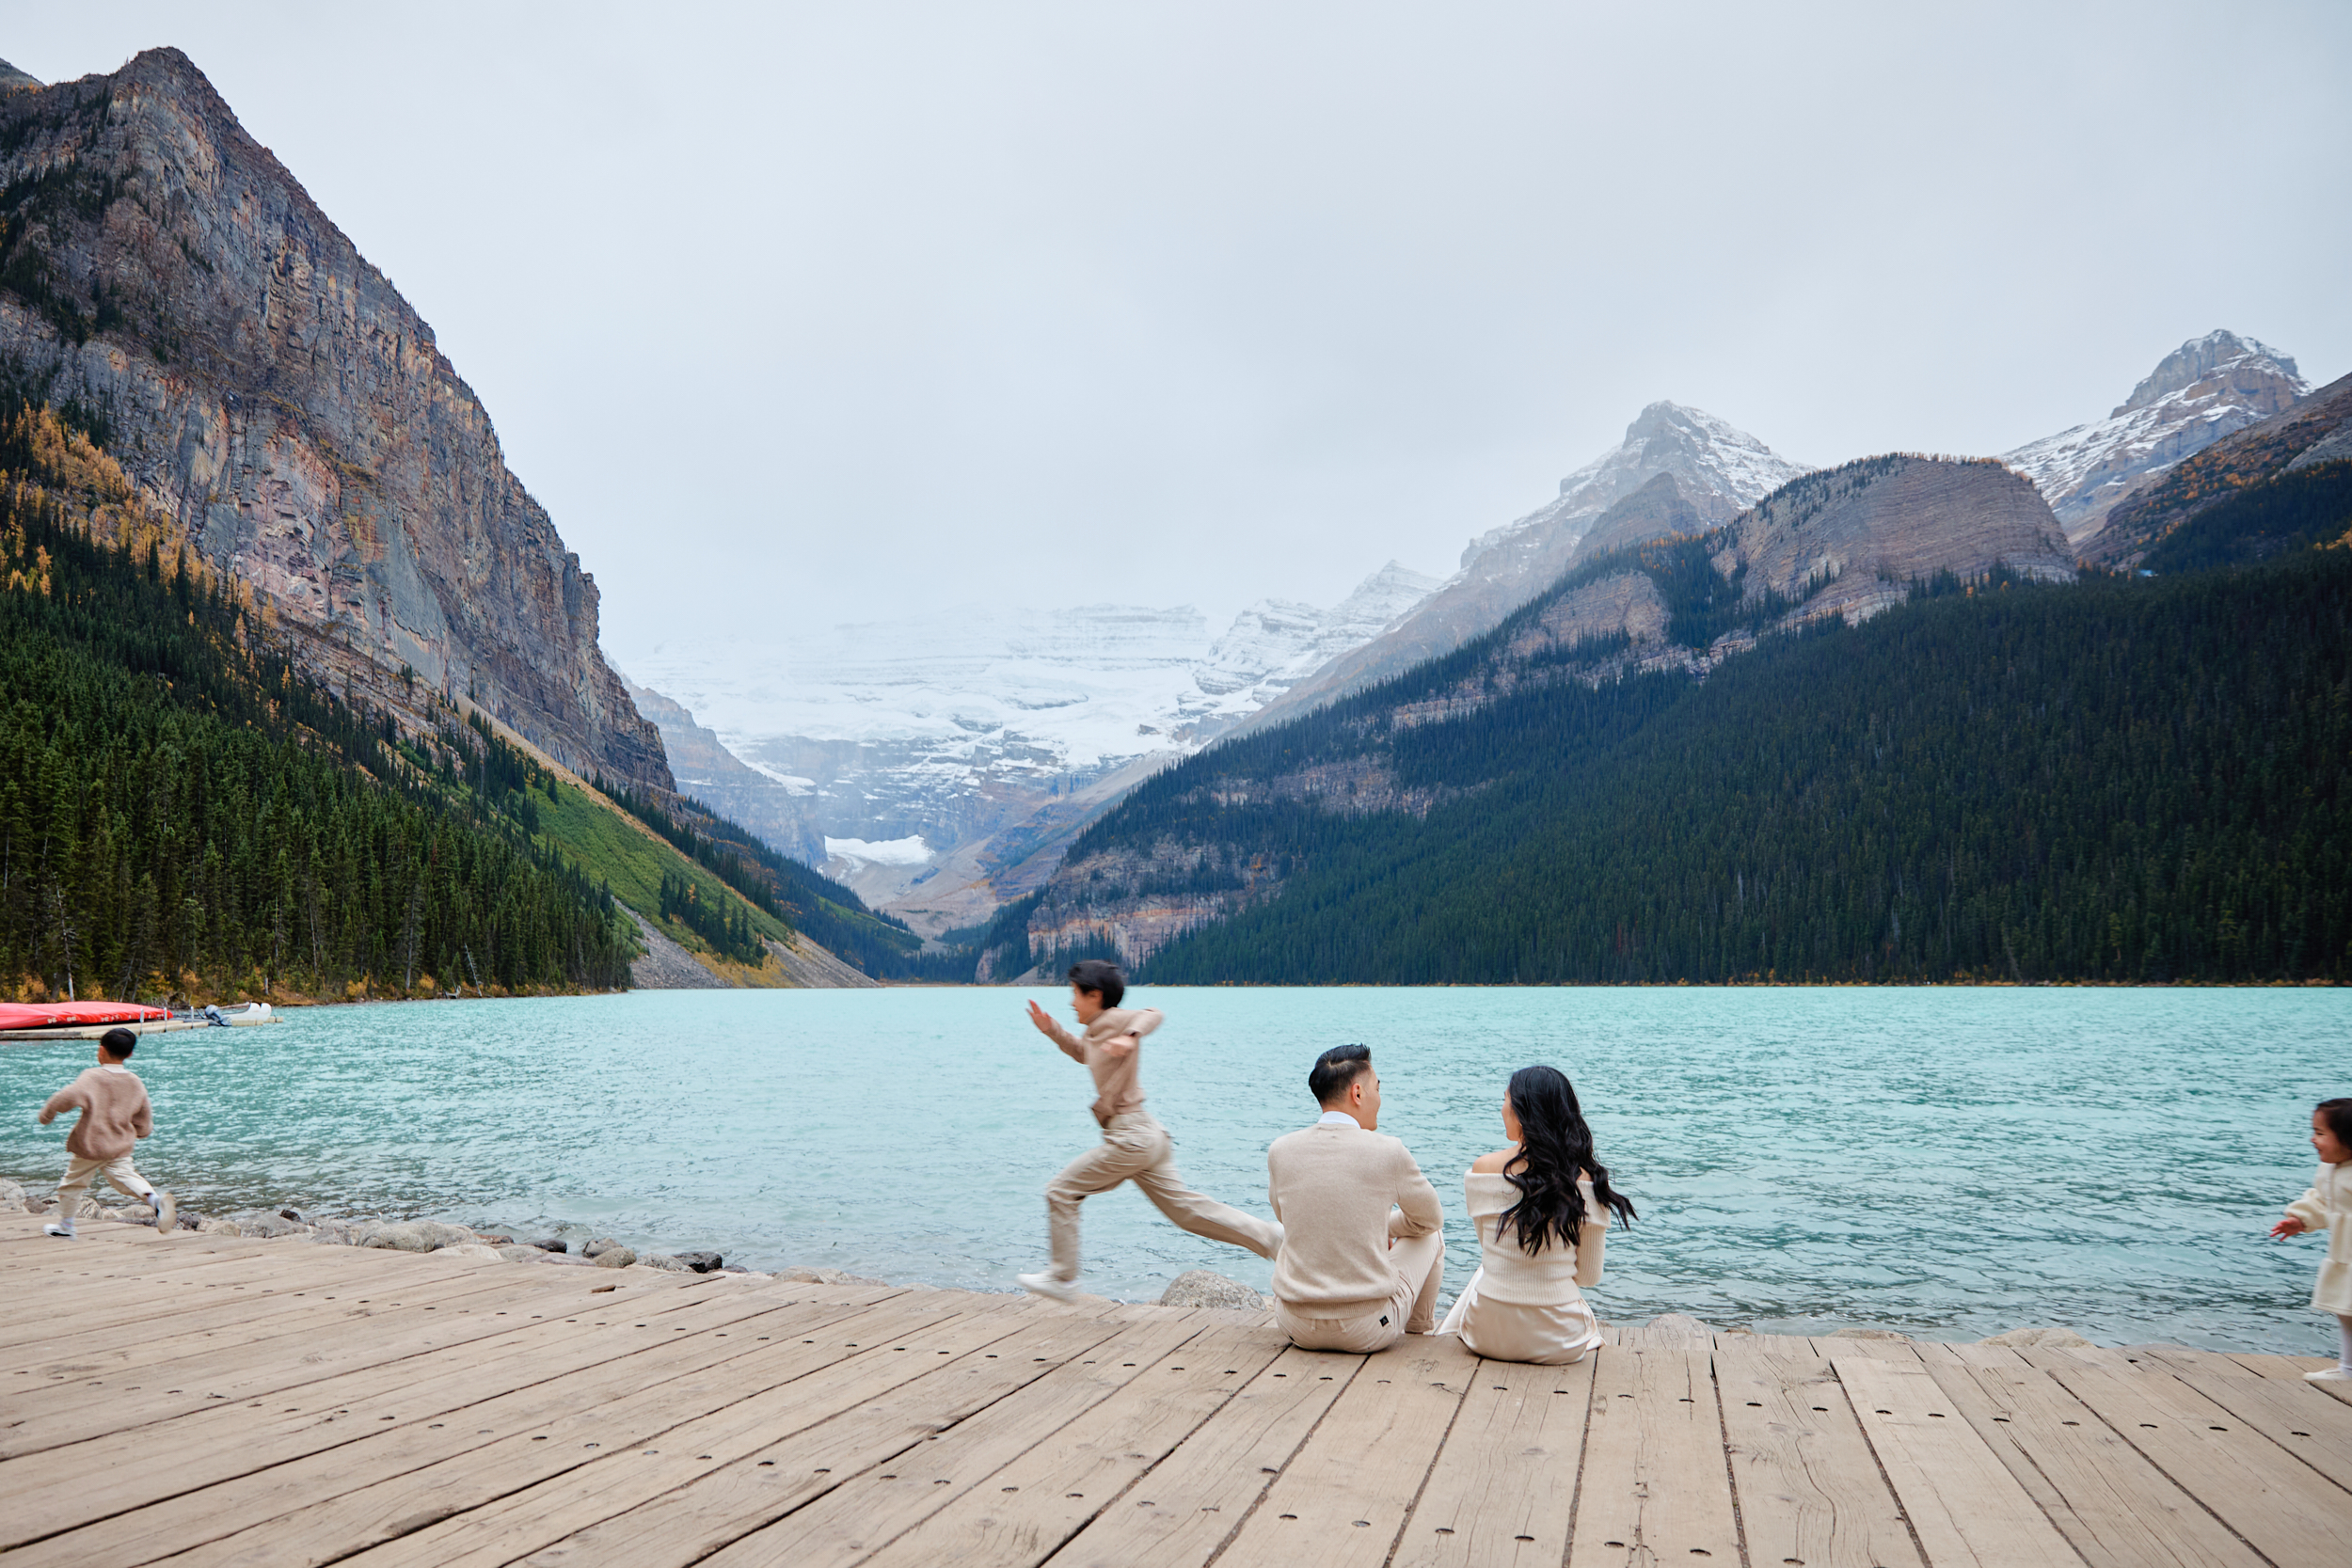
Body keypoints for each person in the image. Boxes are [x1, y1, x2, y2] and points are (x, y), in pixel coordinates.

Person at [1016, 958, 1281, 1302]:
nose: (1071, 1002)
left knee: (1060, 1191)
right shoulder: (1096, 1027)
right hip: (1146, 1136)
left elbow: (1153, 1013)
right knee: (1186, 1211)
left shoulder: (1115, 1020)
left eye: (1075, 994)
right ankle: (1270, 1237)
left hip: (1132, 1138)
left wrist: (1130, 1036)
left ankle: (1063, 1277)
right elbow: (1084, 1053)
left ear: (1095, 995)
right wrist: (1051, 1029)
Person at [1438, 1065, 1636, 1364]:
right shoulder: (1587, 1180)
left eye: (1505, 1099)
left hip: (1485, 1335)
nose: (1501, 1107)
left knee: (1490, 1269)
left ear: (1520, 1110)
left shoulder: (1483, 1169)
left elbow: (1489, 1247)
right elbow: (1588, 1276)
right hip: (1559, 1342)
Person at [1264, 1042, 1444, 1353]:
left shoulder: (1281, 1150)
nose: (1380, 1098)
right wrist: (1384, 1225)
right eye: (1378, 1087)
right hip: (1367, 1330)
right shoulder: (1388, 1150)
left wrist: (1374, 1224)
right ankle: (1419, 1333)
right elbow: (1429, 1219)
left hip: (1295, 1326)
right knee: (1433, 1237)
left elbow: (1286, 1217)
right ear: (1357, 1093)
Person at [38, 1027, 174, 1240]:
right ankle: (154, 1200)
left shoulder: (92, 1076)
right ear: (130, 1054)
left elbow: (66, 1097)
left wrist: (47, 1115)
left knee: (71, 1185)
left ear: (101, 1050)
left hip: (91, 1145)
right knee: (126, 1177)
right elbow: (144, 1114)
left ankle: (66, 1227)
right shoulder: (135, 1082)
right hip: (119, 1144)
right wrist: (142, 1131)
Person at [2269, 1097, 2352, 1383]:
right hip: (2344, 1256)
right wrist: (2301, 1219)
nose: (2312, 1139)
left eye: (2320, 1134)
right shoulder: (2329, 1170)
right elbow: (2322, 1200)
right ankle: (2348, 1369)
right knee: (2346, 1312)